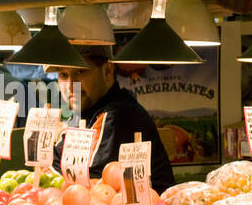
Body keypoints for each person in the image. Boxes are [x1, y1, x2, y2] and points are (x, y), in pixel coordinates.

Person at [52, 49, 176, 193]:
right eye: (63, 75)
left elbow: (89, 181)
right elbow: (54, 164)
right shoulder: (83, 112)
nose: (71, 86)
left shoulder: (119, 114)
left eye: (80, 72)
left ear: (108, 71)